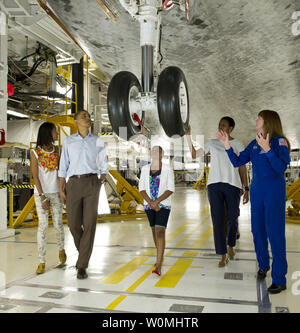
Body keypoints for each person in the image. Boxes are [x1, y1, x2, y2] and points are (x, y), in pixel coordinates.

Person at [217, 110, 290, 294]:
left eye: (259, 118)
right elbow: (238, 161)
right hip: (258, 193)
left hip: (274, 192)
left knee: (275, 234)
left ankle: (280, 279)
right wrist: (227, 146)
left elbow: (280, 167)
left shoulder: (280, 141)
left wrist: (268, 150)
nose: (256, 120)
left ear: (267, 121)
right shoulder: (254, 142)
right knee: (257, 232)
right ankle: (263, 265)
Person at [186, 117, 249, 267]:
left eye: (224, 125)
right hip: (214, 185)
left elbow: (242, 166)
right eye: (219, 124)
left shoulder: (237, 144)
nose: (221, 127)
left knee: (233, 218)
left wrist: (246, 188)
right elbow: (195, 154)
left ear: (231, 128)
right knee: (217, 221)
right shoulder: (211, 143)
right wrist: (188, 136)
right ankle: (222, 254)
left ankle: (231, 245)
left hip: (233, 185)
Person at [58, 110, 108, 279]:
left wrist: (100, 182)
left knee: (89, 224)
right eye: (84, 116)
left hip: (92, 182)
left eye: (88, 116)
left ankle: (82, 265)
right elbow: (63, 166)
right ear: (76, 121)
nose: (88, 118)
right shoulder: (69, 141)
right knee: (73, 224)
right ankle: (83, 254)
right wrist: (61, 188)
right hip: (73, 184)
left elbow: (103, 164)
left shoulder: (98, 141)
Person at [31, 122, 66, 274]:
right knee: (43, 227)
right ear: (47, 133)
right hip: (42, 194)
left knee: (58, 224)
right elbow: (35, 177)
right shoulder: (34, 152)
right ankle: (41, 261)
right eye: (55, 132)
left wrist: (62, 191)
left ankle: (61, 249)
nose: (57, 134)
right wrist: (42, 197)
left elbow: (60, 173)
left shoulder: (57, 150)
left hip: (56, 193)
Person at [139, 146, 174, 276]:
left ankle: (158, 264)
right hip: (149, 205)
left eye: (157, 151)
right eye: (152, 151)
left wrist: (157, 202)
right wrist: (151, 203)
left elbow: (170, 188)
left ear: (162, 155)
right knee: (154, 231)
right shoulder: (144, 169)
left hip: (163, 205)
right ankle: (160, 254)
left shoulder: (168, 169)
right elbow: (141, 188)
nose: (154, 154)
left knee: (160, 231)